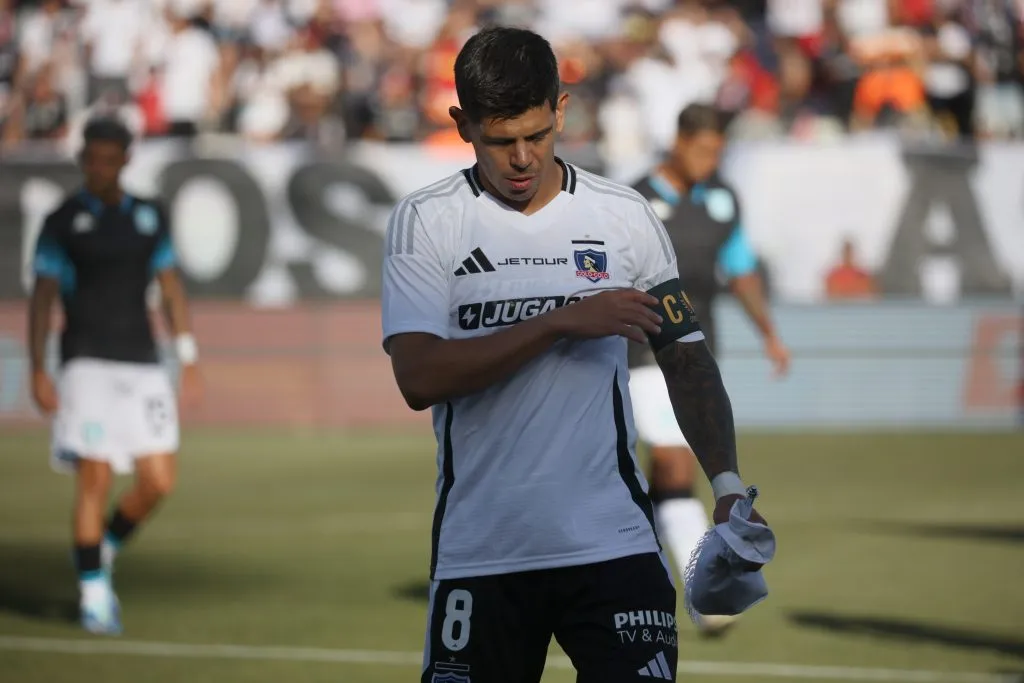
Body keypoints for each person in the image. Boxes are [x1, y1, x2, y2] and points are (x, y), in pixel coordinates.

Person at [381, 27, 766, 683]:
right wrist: (559, 322)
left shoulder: (623, 215)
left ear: (561, 110)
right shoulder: (427, 221)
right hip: (483, 553)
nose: (523, 158)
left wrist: (726, 485)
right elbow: (418, 376)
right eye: (501, 141)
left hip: (614, 547)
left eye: (538, 133)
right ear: (462, 124)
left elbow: (686, 354)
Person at [28, 117, 202, 635]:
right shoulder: (62, 221)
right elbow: (41, 300)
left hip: (143, 363)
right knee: (95, 477)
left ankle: (99, 550)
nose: (97, 168)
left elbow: (170, 289)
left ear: (125, 160)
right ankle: (94, 595)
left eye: (108, 158)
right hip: (85, 363)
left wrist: (187, 355)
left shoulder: (149, 217)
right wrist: (40, 368)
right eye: (90, 159)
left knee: (158, 481)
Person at [629, 103, 789, 636]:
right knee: (675, 470)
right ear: (677, 140)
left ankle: (635, 578)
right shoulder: (635, 200)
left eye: (717, 151)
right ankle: (713, 595)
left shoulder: (723, 201)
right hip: (642, 357)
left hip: (697, 360)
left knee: (656, 482)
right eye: (701, 149)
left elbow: (740, 272)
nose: (708, 160)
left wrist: (768, 334)